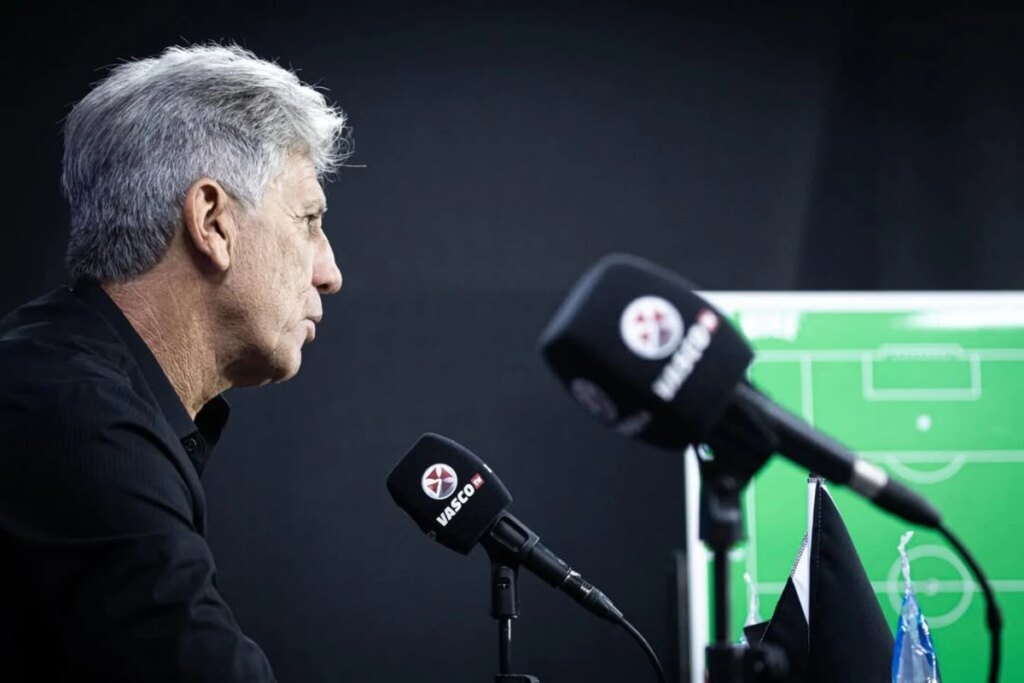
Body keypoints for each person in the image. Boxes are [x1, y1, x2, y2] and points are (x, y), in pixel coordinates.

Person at [0, 43, 347, 681]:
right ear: (212, 221)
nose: (330, 274)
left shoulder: (65, 378)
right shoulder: (73, 412)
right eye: (308, 220)